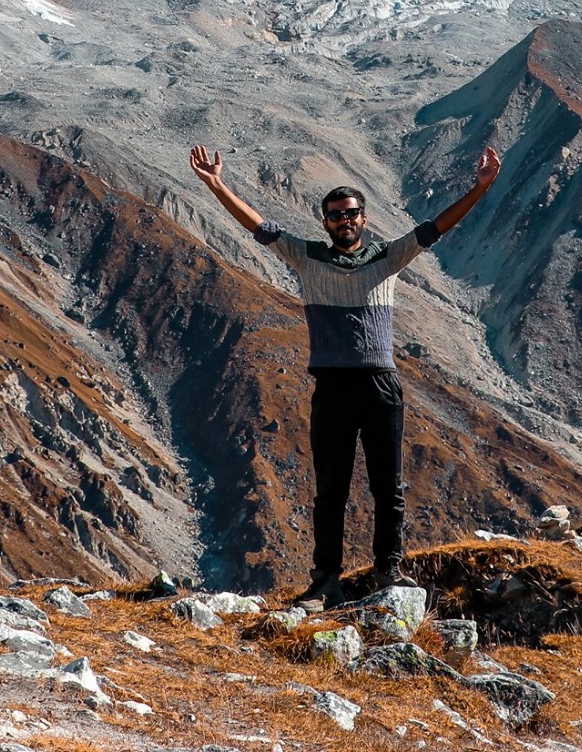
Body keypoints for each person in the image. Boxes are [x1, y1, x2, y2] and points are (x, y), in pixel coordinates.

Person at [188, 142, 502, 605]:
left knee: (388, 487)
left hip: (380, 386)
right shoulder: (307, 257)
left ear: (364, 218)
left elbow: (435, 228)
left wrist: (480, 188)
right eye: (336, 215)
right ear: (325, 222)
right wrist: (217, 185)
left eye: (352, 213)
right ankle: (325, 579)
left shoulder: (389, 257)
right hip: (332, 387)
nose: (345, 220)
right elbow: (259, 227)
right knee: (330, 490)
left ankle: (388, 571)